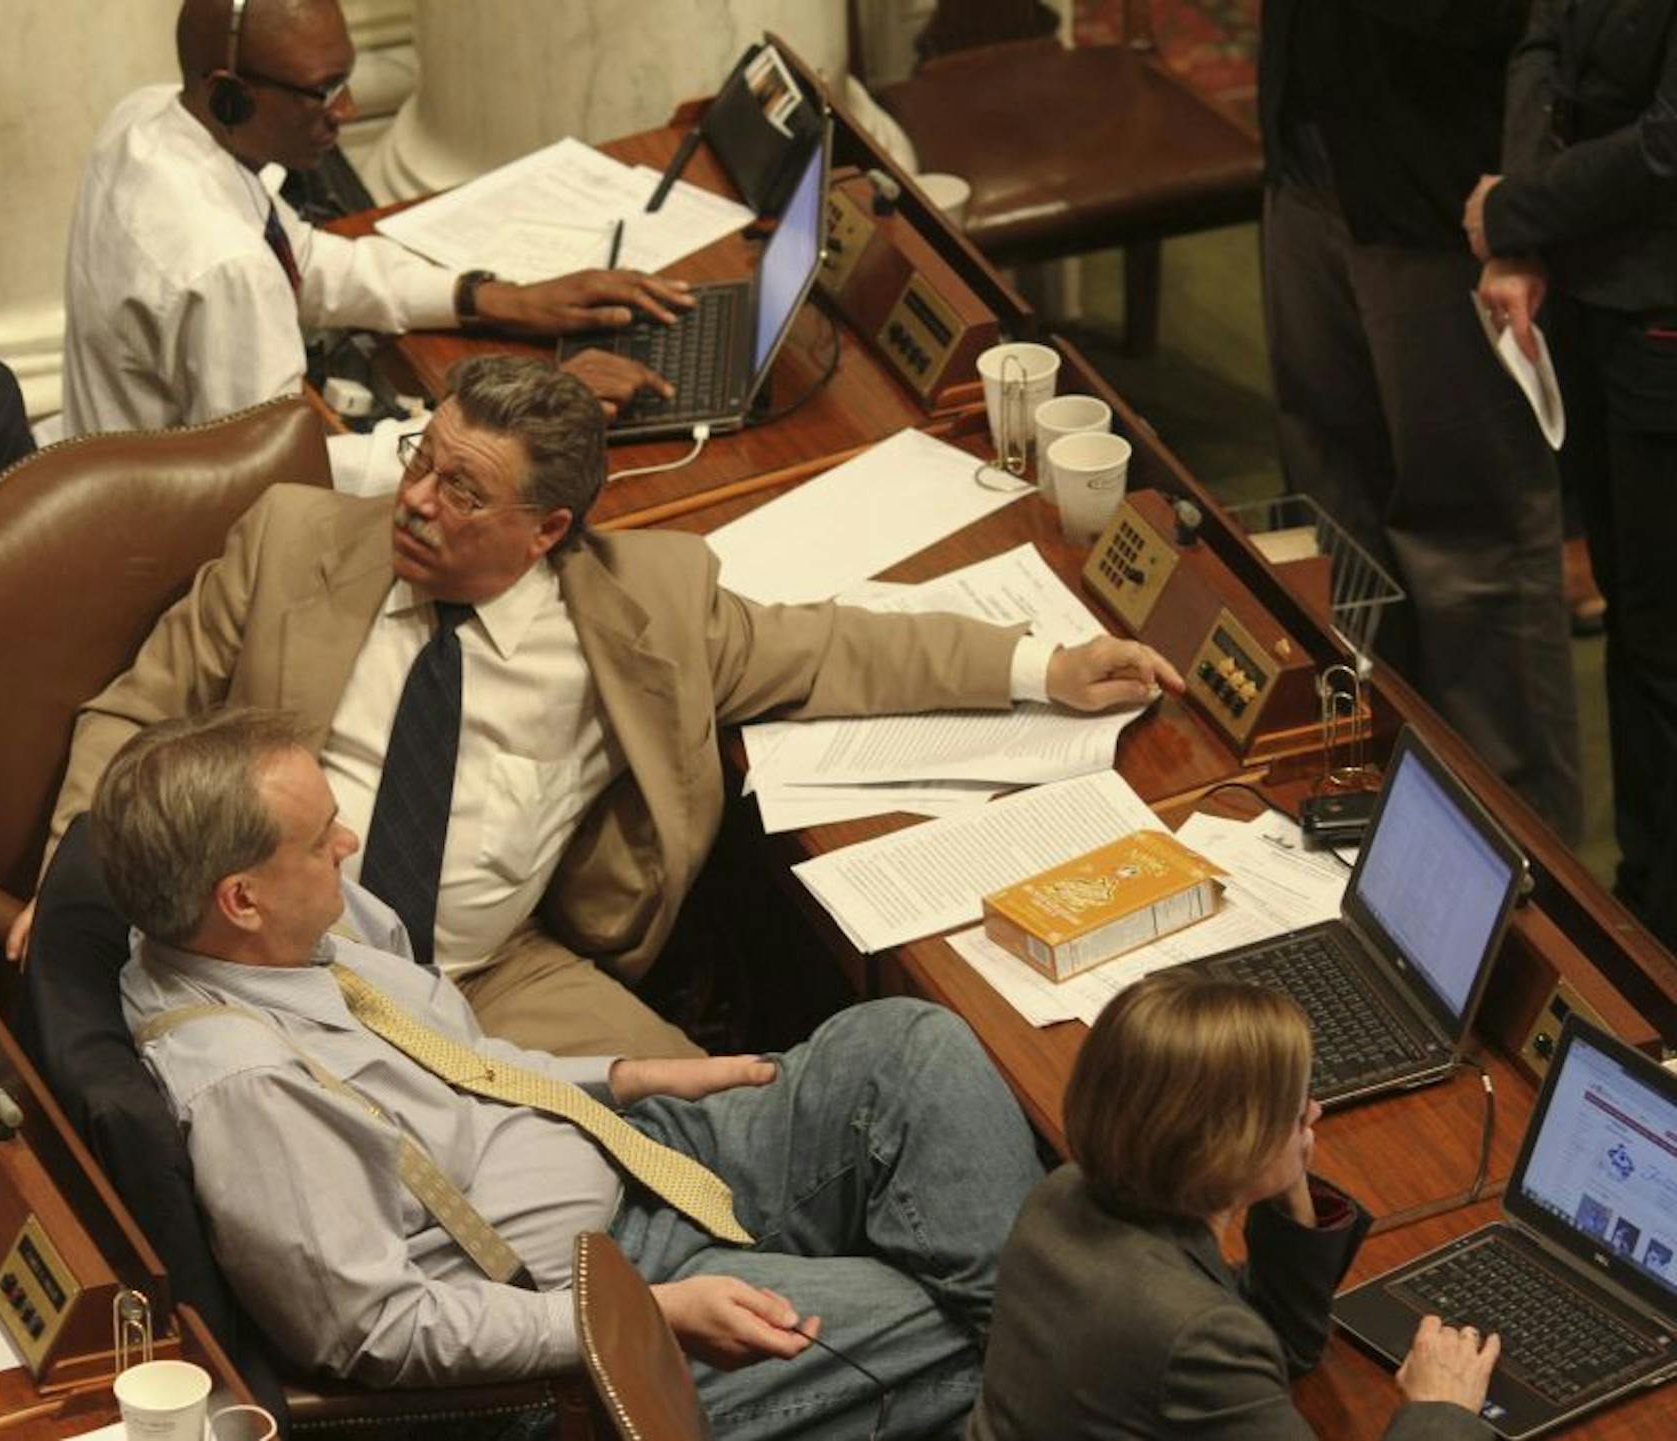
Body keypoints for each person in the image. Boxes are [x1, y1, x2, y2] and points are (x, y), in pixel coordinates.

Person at [16, 354, 1182, 1059]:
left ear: (547, 531)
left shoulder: (650, 614)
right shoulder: (291, 546)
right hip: (259, 959)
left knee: (709, 1132)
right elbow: (129, 717)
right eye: (422, 459)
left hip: (491, 976)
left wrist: (1043, 667)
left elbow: (832, 649)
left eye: (459, 489)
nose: (413, 499)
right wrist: (70, 885)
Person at [101, 705, 1045, 1436]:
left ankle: (1056, 1358)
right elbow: (373, 1329)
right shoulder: (249, 1089)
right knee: (940, 1317)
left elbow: (459, 1062)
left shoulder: (288, 928)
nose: (348, 846)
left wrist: (623, 1076)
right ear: (241, 898)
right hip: (589, 1310)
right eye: (319, 840)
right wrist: (653, 1313)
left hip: (628, 1145)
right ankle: (1073, 1366)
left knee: (907, 1043)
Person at [60, 0, 683, 460]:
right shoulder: (225, 266)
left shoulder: (148, 118)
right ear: (230, 97)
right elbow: (284, 483)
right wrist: (523, 414)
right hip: (184, 553)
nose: (347, 111)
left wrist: (489, 298)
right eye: (322, 91)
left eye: (346, 80)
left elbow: (304, 262)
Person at [1258, 0, 1582, 844]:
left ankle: (1521, 864)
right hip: (1307, 151)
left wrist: (1524, 210)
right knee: (1331, 514)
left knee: (1472, 550)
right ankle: (1369, 802)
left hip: (1439, 192)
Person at [968, 970, 1499, 1439]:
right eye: (1296, 1111)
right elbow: (1221, 1340)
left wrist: (1284, 1177)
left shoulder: (1063, 1194)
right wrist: (1441, 1410)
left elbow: (1281, 1343)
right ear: (1235, 1146)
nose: (1314, 1112)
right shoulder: (1195, 1335)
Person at [1467, 0, 1677, 947]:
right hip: (1597, 292)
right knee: (1636, 636)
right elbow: (1542, 40)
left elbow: (1670, 143)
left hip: (1664, 314)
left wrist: (1514, 208)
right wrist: (1517, 235)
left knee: (1666, 651)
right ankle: (1646, 915)